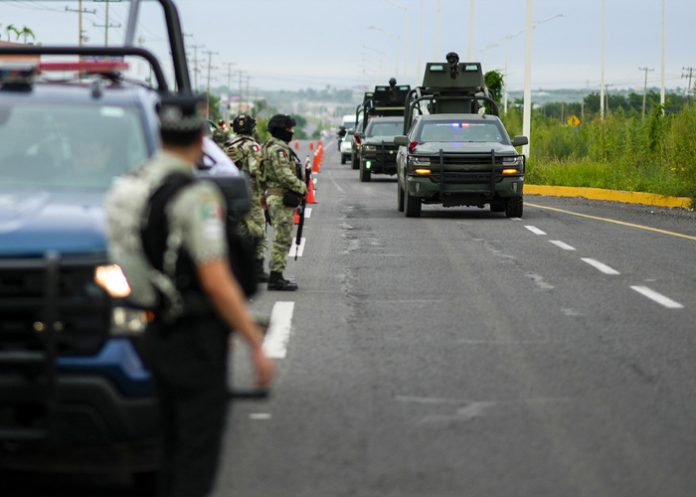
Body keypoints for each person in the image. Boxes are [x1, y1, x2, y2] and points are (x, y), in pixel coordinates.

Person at [111, 95, 274, 497]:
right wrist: (254, 342)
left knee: (164, 446)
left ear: (158, 133)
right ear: (202, 137)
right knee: (195, 453)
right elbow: (216, 279)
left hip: (150, 330)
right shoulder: (196, 196)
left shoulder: (127, 186)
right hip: (195, 336)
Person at [262, 114, 307, 291]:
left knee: (282, 238)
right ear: (281, 130)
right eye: (289, 129)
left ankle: (277, 275)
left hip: (275, 197)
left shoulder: (271, 146)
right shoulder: (278, 150)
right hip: (280, 198)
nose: (292, 131)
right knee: (282, 239)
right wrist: (302, 187)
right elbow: (284, 175)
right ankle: (276, 277)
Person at [225, 114, 269, 282]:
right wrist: (265, 190)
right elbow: (256, 169)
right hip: (251, 194)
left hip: (232, 195)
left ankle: (237, 269)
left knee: (239, 231)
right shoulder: (253, 147)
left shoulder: (229, 146)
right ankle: (257, 269)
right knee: (258, 231)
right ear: (252, 128)